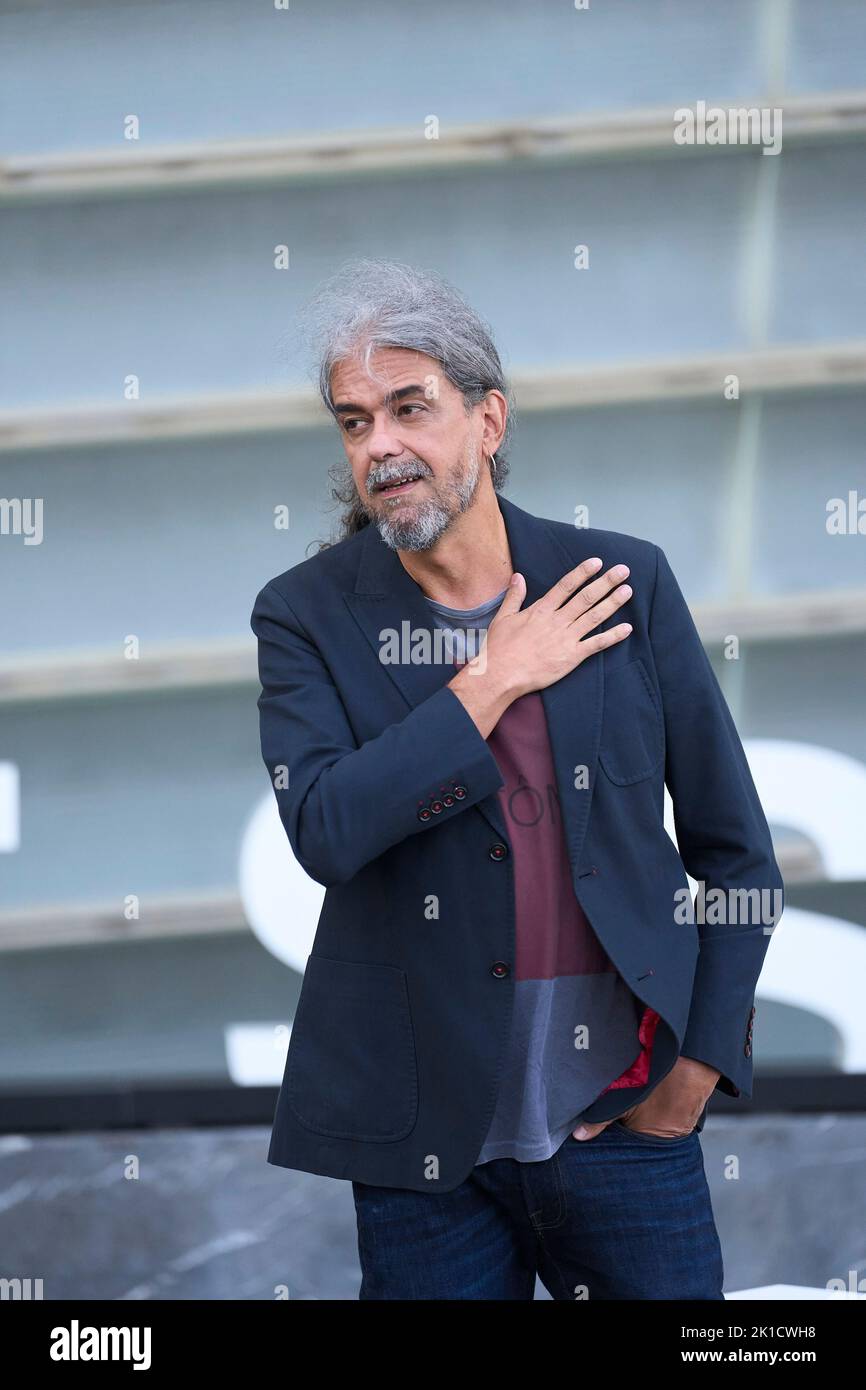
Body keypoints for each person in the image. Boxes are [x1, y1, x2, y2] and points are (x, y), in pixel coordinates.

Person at [250, 258, 783, 1299]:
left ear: (487, 419)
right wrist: (488, 682)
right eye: (354, 422)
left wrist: (697, 1066)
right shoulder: (304, 613)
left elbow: (736, 852)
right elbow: (324, 826)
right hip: (423, 1153)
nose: (381, 446)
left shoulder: (619, 581)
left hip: (628, 1113)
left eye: (410, 408)